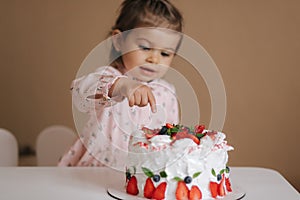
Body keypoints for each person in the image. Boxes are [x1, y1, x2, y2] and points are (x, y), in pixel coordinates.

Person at [58, 0, 184, 169]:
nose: (154, 59)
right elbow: (79, 91)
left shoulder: (167, 93)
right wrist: (121, 85)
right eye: (145, 47)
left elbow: (168, 140)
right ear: (118, 41)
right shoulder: (108, 77)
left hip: (138, 177)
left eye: (165, 53)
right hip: (94, 170)